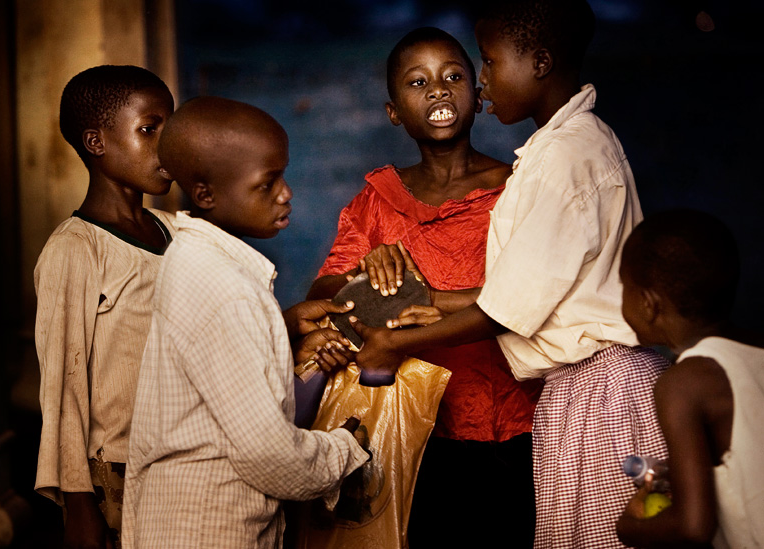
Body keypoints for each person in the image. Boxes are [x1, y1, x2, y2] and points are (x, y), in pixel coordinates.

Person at [349, 1, 670, 546]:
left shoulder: (564, 158)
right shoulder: (568, 147)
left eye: (488, 64)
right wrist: (430, 297)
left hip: (601, 390)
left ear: (539, 63)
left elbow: (506, 310)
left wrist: (395, 345)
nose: (484, 79)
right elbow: (536, 287)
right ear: (393, 110)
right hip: (588, 384)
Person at [307, 27, 541, 547]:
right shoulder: (377, 199)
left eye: (453, 76)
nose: (438, 90)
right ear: (394, 112)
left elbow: (539, 296)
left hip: (516, 421)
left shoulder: (518, 189)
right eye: (418, 82)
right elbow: (326, 289)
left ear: (478, 96)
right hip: (408, 425)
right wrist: (365, 269)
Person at [121, 96, 370, 549]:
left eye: (283, 175)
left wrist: (282, 330)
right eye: (266, 183)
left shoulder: (194, 260)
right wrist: (342, 451)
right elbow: (269, 456)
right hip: (211, 527)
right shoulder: (229, 289)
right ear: (206, 195)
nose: (286, 193)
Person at [34, 65, 176, 549]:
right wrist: (79, 503)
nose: (167, 145)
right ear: (96, 143)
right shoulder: (75, 249)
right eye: (148, 130)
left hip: (181, 455)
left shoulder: (176, 232)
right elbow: (62, 390)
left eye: (169, 129)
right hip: (116, 471)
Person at [615, 209, 764, 548]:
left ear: (648, 303)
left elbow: (692, 527)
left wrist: (628, 528)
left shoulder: (684, 382)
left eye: (623, 287)